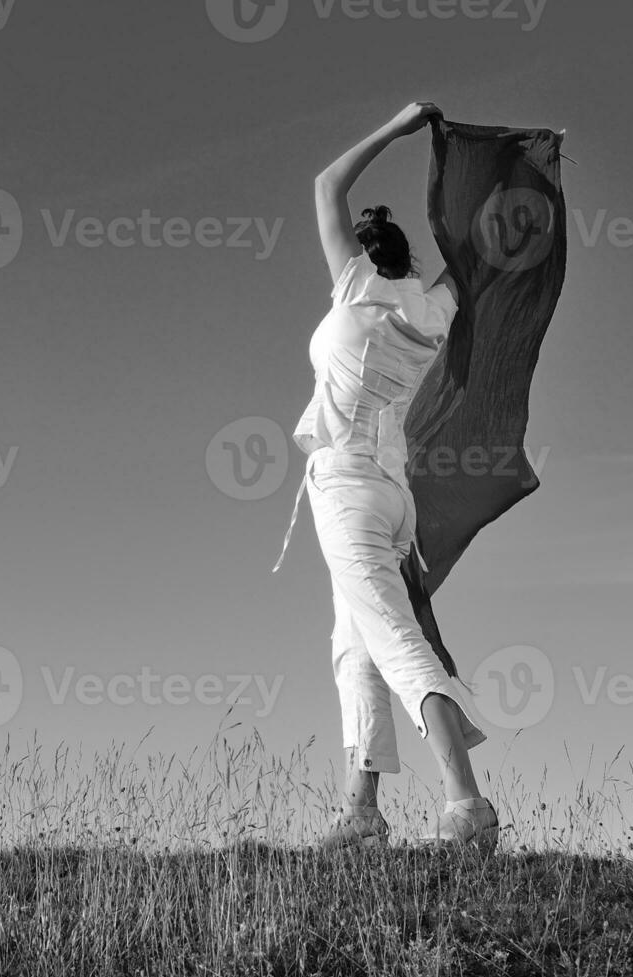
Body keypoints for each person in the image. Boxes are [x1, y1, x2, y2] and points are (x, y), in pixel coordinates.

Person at [279, 102, 498, 854]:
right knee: (356, 644)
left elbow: (324, 184)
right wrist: (494, 183)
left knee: (396, 644)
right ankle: (361, 810)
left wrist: (402, 125)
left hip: (346, 488)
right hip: (393, 494)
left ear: (363, 255)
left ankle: (465, 802)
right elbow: (472, 257)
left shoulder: (354, 288)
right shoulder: (434, 308)